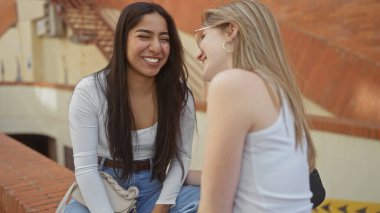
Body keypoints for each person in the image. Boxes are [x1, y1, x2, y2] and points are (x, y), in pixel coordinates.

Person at [65, 2, 199, 213]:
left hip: (155, 186)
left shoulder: (179, 95)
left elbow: (180, 157)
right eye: (144, 36)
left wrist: (161, 207)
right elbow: (86, 169)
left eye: (164, 39)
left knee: (203, 203)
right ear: (123, 40)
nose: (156, 47)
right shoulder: (90, 91)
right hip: (104, 186)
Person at [194, 0, 317, 212]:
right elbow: (249, 175)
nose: (197, 53)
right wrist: (180, 175)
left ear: (231, 30)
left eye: (202, 36)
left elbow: (214, 208)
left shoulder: (232, 84)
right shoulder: (280, 90)